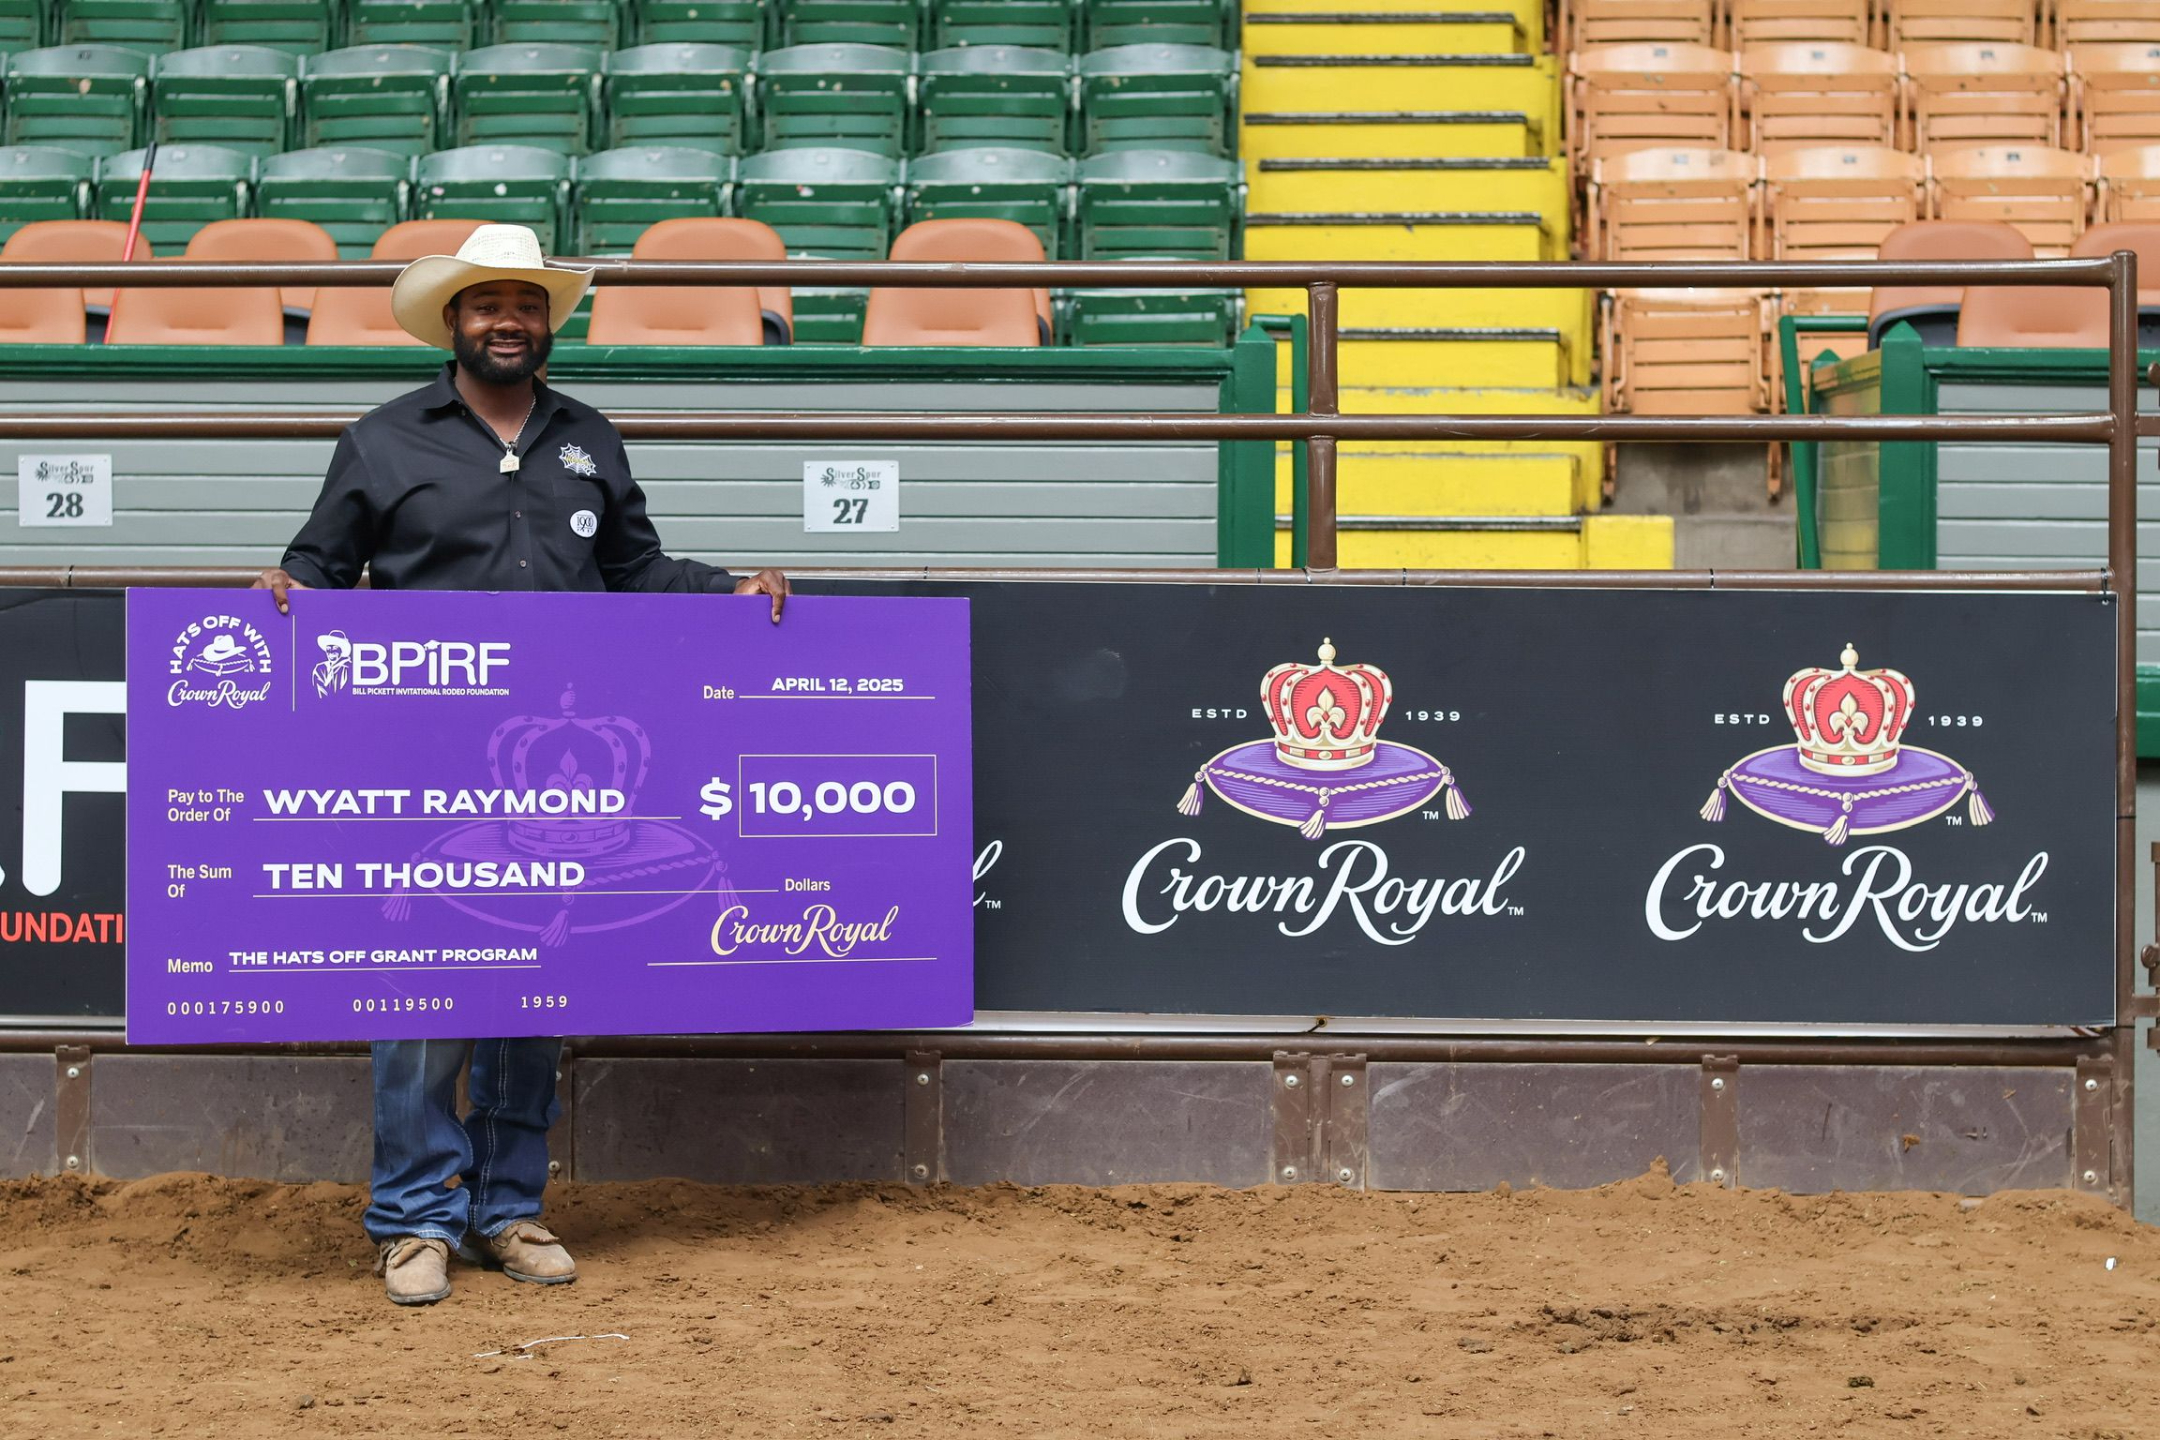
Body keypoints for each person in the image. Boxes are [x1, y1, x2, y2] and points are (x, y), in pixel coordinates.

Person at [254, 224, 790, 1306]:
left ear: (548, 321)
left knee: (537, 985)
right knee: (423, 994)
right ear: (452, 321)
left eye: (528, 304)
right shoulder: (380, 441)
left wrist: (729, 588)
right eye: (489, 304)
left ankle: (505, 1209)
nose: (510, 321)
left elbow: (634, 569)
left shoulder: (590, 437)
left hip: (557, 774)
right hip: (423, 757)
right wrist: (285, 592)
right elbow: (316, 569)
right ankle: (413, 1220)